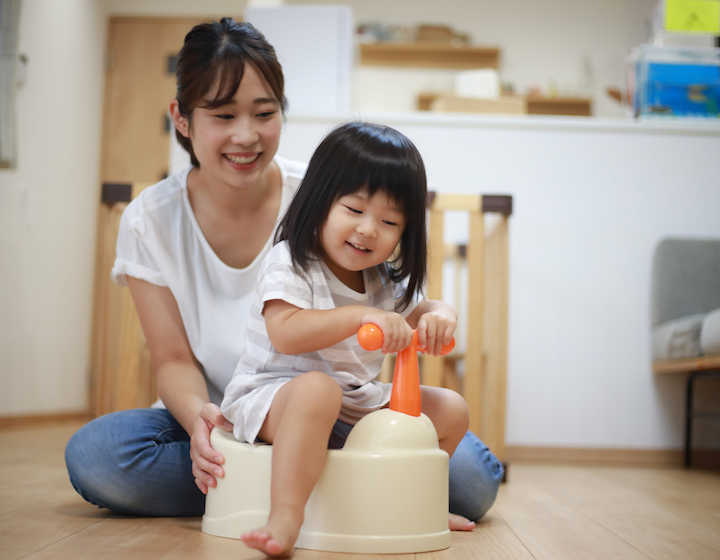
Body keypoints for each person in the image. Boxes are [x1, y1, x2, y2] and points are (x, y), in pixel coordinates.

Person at [64, 17, 503, 527]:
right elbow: (172, 358)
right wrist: (198, 422)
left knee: (472, 480)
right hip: (240, 410)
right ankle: (334, 497)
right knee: (99, 457)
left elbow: (412, 302)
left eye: (264, 112)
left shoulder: (330, 197)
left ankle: (304, 489)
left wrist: (437, 313)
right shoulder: (154, 218)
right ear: (182, 119)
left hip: (351, 408)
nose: (246, 135)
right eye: (223, 115)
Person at [221, 121, 471, 557]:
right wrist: (359, 316)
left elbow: (417, 313)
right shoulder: (291, 261)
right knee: (317, 390)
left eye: (389, 220)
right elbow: (286, 332)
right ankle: (285, 515)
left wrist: (441, 315)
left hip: (353, 401)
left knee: (450, 408)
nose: (369, 229)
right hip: (275, 397)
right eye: (354, 210)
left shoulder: (381, 280)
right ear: (320, 202)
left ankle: (419, 502)